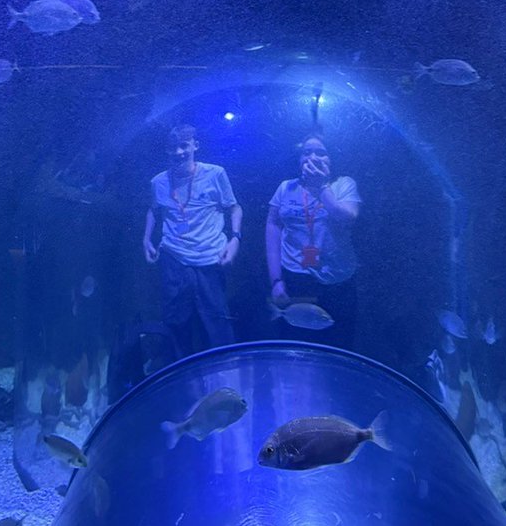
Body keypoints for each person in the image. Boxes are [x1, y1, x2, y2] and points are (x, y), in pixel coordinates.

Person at [143, 124, 243, 359]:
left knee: (217, 322)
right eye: (172, 148)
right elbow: (153, 210)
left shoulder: (215, 173)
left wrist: (235, 239)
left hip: (210, 258)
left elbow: (234, 207)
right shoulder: (158, 182)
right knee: (176, 323)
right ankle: (181, 380)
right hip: (173, 258)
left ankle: (224, 378)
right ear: (166, 150)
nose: (178, 152)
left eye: (183, 146)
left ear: (195, 146)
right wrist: (146, 238)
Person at [266, 133, 361, 347]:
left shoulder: (344, 184)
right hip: (296, 277)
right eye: (306, 152)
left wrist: (321, 187)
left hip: (337, 278)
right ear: (299, 159)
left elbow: (347, 217)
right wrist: (276, 279)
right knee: (296, 339)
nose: (313, 157)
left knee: (338, 342)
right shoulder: (285, 187)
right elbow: (273, 227)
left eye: (321, 152)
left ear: (332, 158)